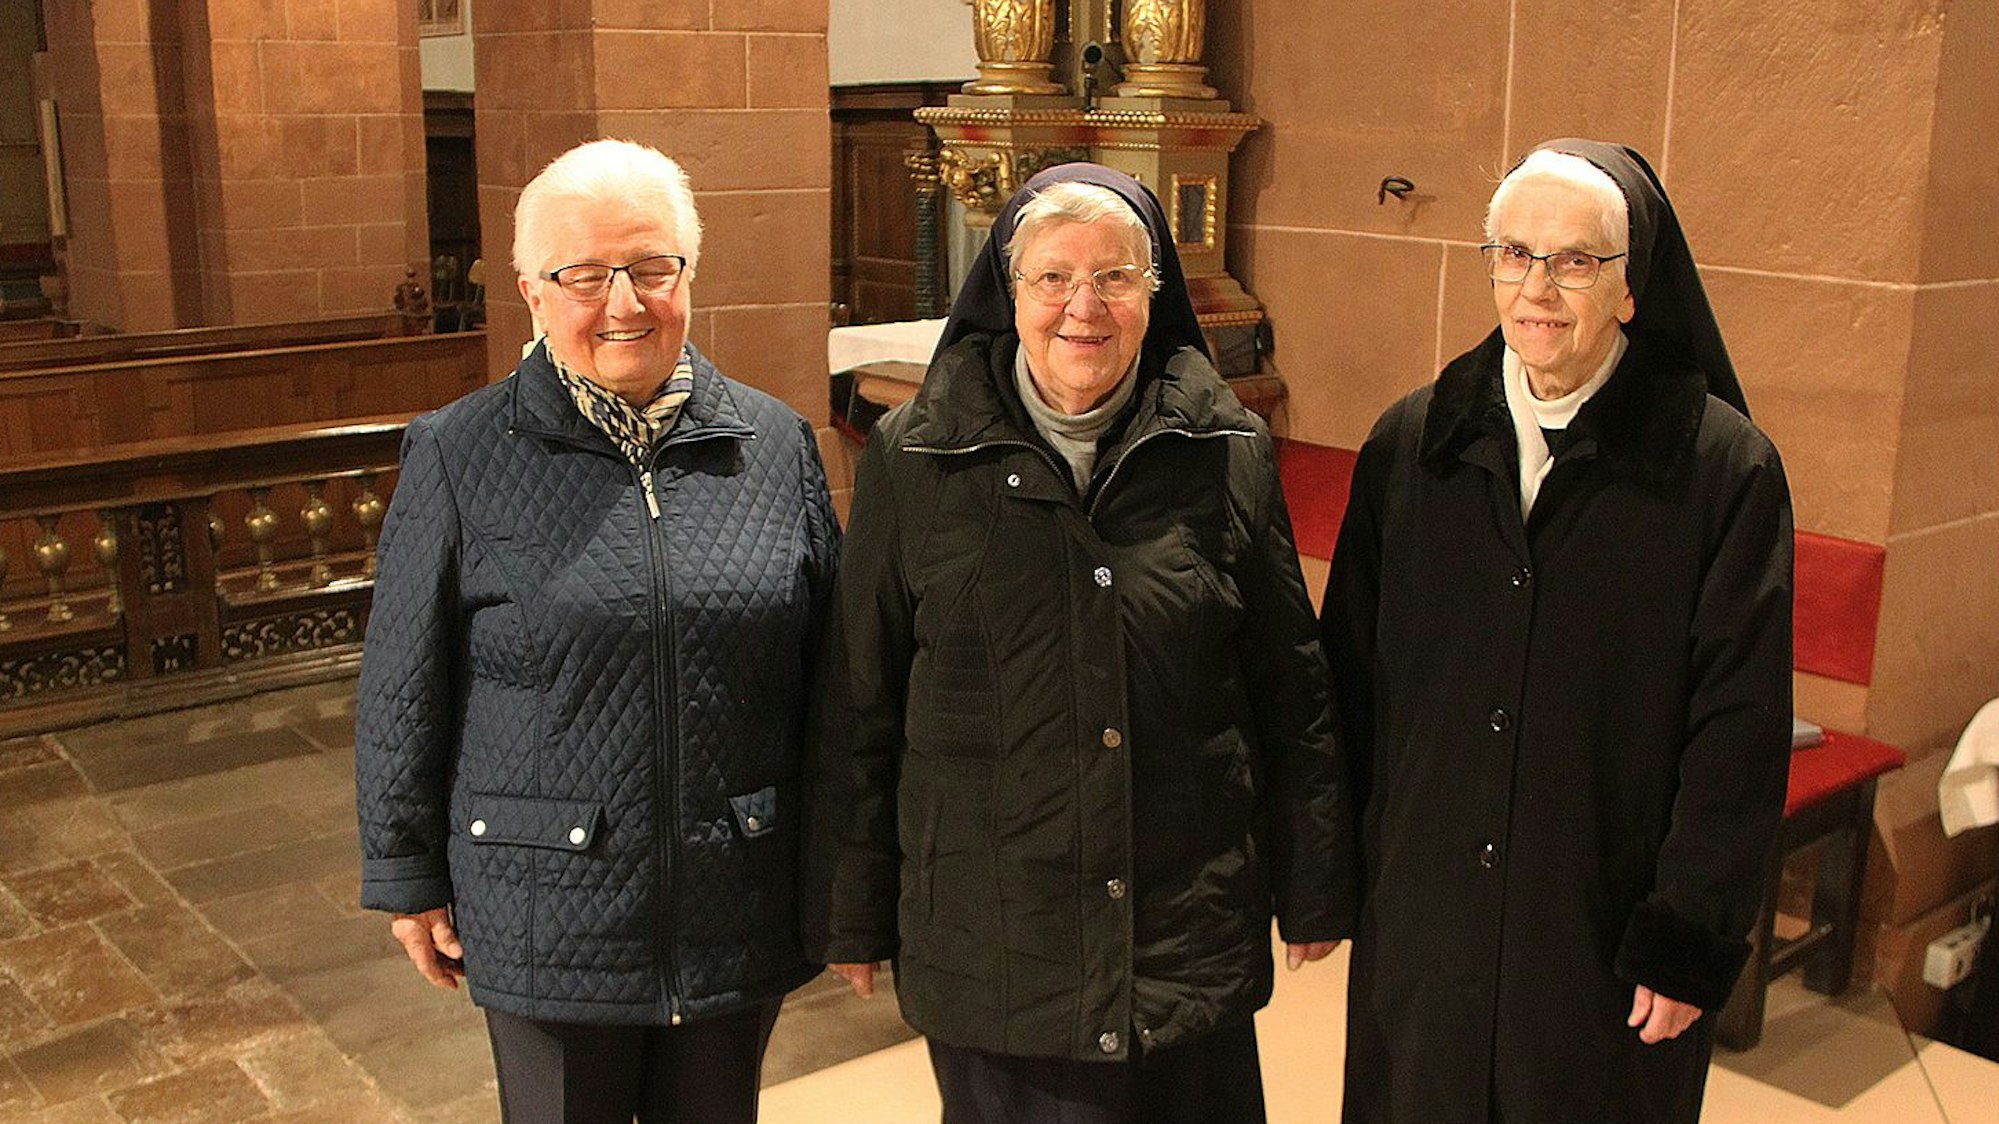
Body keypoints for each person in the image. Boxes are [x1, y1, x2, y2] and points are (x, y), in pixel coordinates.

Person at [805, 163, 1353, 1124]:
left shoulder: (1225, 450)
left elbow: (1288, 686)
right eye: (1052, 278)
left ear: (1154, 296)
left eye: (1115, 277)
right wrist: (852, 908)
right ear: (1007, 293)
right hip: (998, 936)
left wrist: (1312, 879)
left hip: (1182, 929)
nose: (1081, 308)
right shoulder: (916, 458)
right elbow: (862, 697)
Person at [354, 138, 839, 1124]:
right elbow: (405, 680)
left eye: (651, 267)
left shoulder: (775, 444)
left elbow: (831, 685)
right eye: (585, 274)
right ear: (534, 290)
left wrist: (844, 864)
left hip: (732, 894)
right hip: (544, 895)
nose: (623, 302)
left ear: (687, 277)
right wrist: (405, 870)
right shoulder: (459, 450)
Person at [1320, 139, 1794, 1124]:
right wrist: (1334, 874)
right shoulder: (1412, 444)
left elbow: (1739, 727)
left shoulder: (1719, 469)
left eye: (1574, 260)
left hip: (1599, 926)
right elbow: (1348, 682)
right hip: (1429, 919)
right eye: (1513, 253)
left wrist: (1688, 930)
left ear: (1631, 289)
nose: (1536, 285)